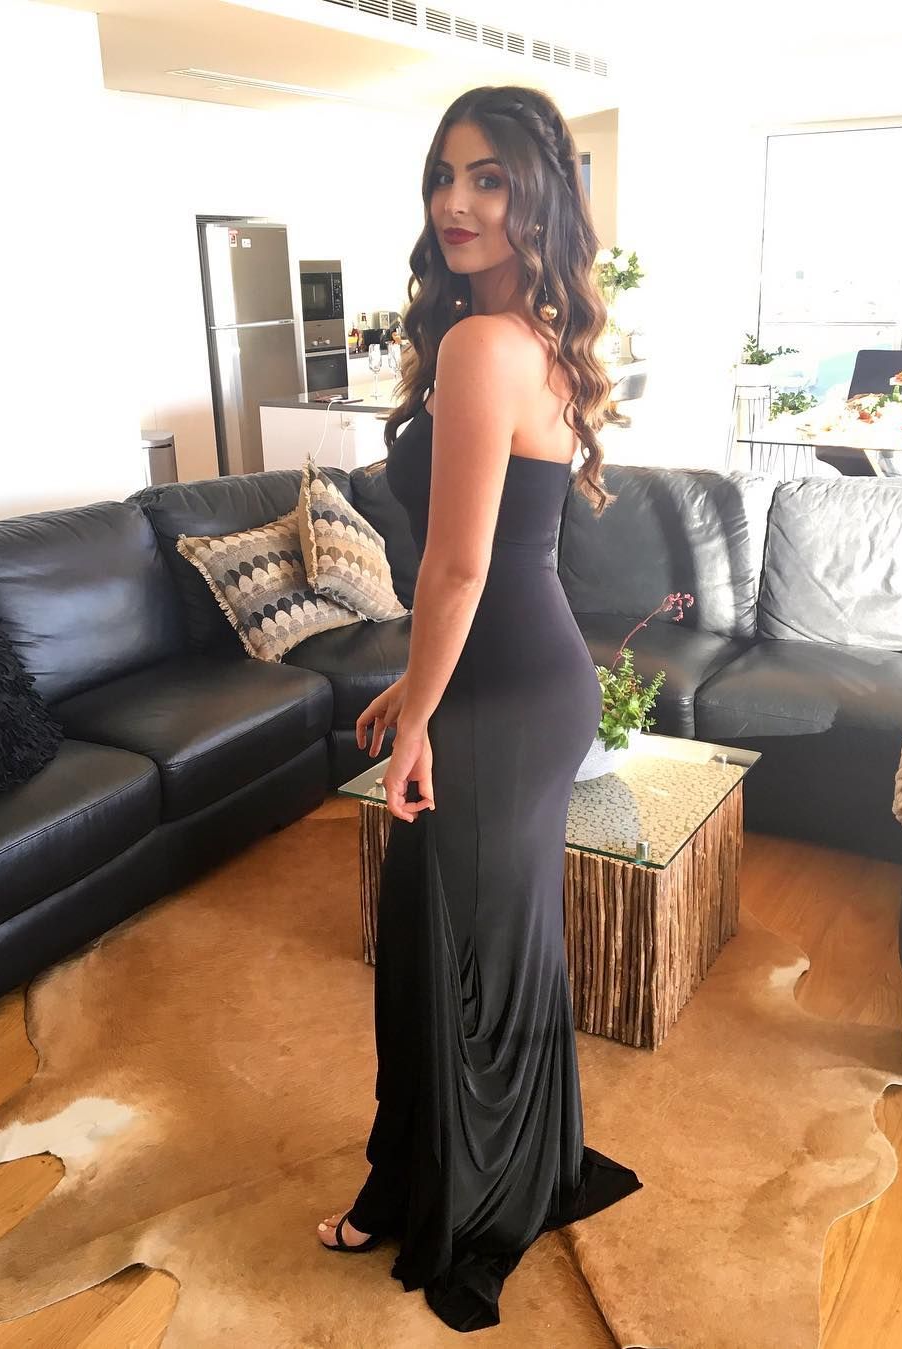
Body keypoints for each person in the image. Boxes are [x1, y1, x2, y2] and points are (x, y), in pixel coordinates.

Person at [316, 84, 643, 1332]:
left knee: (445, 948)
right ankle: (479, 1165)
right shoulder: (536, 337)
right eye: (444, 175)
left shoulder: (480, 347)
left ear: (539, 194)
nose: (456, 201)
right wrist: (417, 683)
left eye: (490, 177)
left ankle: (440, 1192)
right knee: (493, 944)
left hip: (500, 699)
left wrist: (418, 723)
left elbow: (459, 570)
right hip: (528, 681)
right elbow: (500, 563)